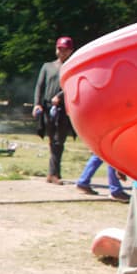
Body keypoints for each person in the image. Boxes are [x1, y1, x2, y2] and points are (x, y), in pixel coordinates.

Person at [33, 36, 76, 185]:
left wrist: (60, 96)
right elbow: (40, 86)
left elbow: (72, 85)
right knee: (52, 140)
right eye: (60, 49)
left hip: (63, 109)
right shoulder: (47, 66)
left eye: (65, 50)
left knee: (59, 141)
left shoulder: (72, 67)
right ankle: (53, 172)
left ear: (70, 51)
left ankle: (53, 173)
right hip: (47, 108)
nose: (62, 52)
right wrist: (37, 104)